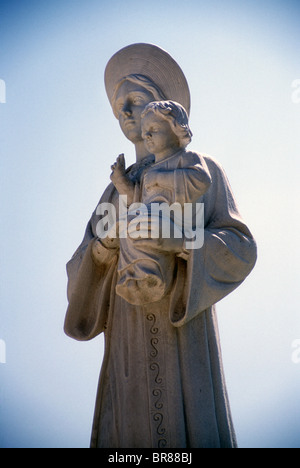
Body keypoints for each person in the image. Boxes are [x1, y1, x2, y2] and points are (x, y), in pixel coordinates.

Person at [64, 44, 257, 448]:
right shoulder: (112, 192)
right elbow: (79, 268)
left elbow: (239, 245)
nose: (126, 114)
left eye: (134, 100)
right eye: (119, 108)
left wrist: (183, 242)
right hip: (126, 335)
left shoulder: (199, 168)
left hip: (182, 325)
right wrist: (104, 246)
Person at [110, 100, 211, 305]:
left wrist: (161, 178)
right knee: (130, 224)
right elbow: (139, 200)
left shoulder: (187, 158)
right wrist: (123, 185)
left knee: (152, 239)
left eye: (154, 130)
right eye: (145, 130)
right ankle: (131, 276)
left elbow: (201, 180)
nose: (146, 136)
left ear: (175, 129)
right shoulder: (147, 173)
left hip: (174, 221)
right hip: (149, 220)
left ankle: (151, 277)